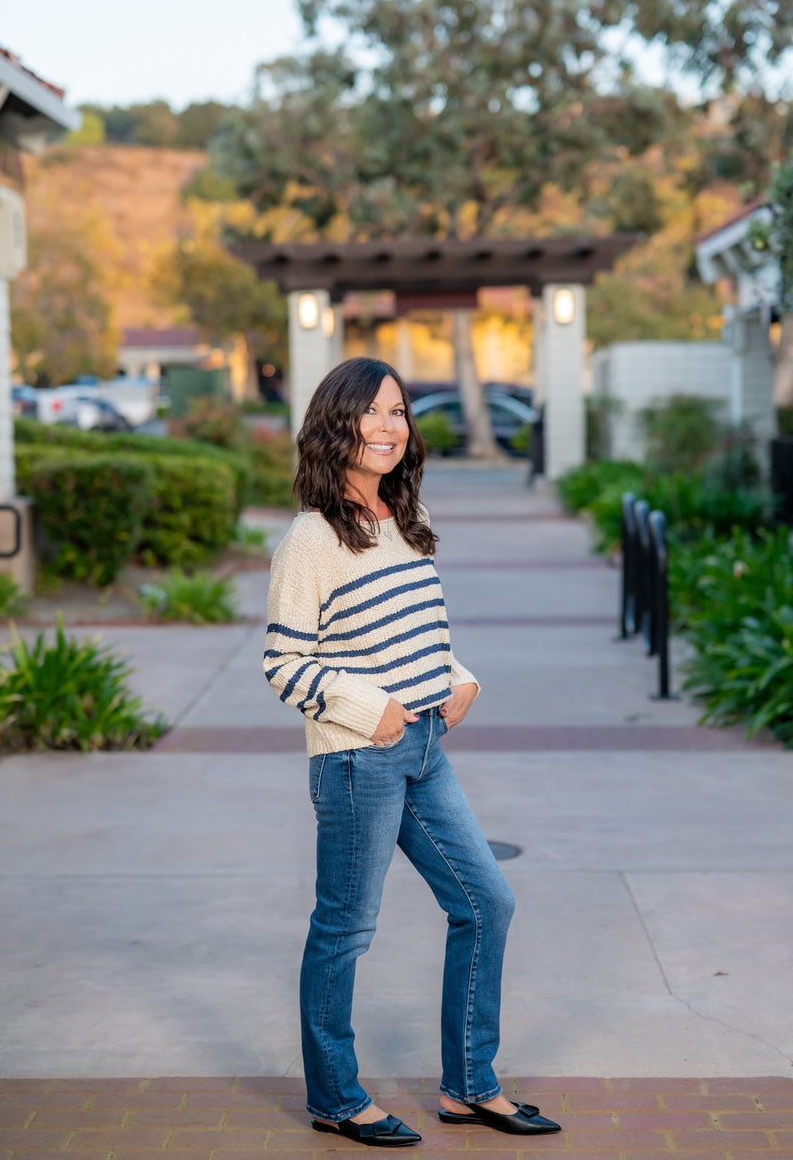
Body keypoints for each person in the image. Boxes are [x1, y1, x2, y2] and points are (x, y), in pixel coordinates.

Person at [264, 357, 561, 1148]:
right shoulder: (310, 539)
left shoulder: (403, 515)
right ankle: (334, 1097)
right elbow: (284, 664)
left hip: (425, 745)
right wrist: (376, 710)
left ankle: (470, 1086)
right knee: (345, 929)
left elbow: (416, 631)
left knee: (485, 902)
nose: (390, 427)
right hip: (358, 759)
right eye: (372, 413)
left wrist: (460, 679)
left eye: (398, 411)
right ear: (339, 424)